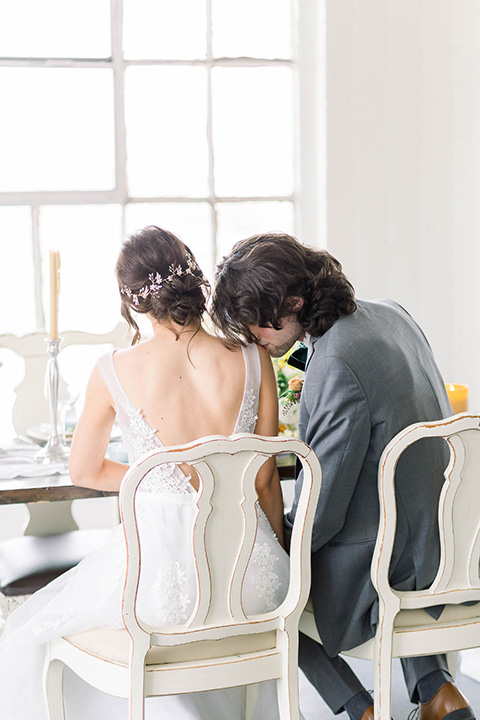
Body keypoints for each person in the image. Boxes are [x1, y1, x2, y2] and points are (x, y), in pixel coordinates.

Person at [0, 226, 289, 720]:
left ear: (133, 302)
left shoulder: (113, 368)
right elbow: (264, 480)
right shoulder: (253, 357)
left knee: (32, 635)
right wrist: (278, 555)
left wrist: (154, 478)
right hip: (252, 580)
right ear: (195, 283)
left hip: (157, 589)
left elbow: (85, 468)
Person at [211, 232, 476, 720]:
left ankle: (360, 709)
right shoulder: (390, 313)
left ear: (292, 302)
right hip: (452, 540)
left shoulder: (334, 363)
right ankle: (438, 690)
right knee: (375, 523)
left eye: (255, 325)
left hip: (392, 565)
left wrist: (273, 544)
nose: (253, 340)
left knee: (254, 583)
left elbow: (322, 509)